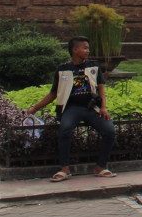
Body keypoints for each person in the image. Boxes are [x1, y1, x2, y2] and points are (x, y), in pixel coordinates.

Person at [24, 36, 117, 182]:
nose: (88, 50)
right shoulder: (63, 69)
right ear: (75, 50)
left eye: (88, 48)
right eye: (84, 48)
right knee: (65, 130)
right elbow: (53, 93)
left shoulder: (93, 67)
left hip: (91, 107)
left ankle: (101, 166)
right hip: (72, 108)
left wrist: (103, 107)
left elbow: (101, 88)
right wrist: (35, 107)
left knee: (109, 131)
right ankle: (64, 168)